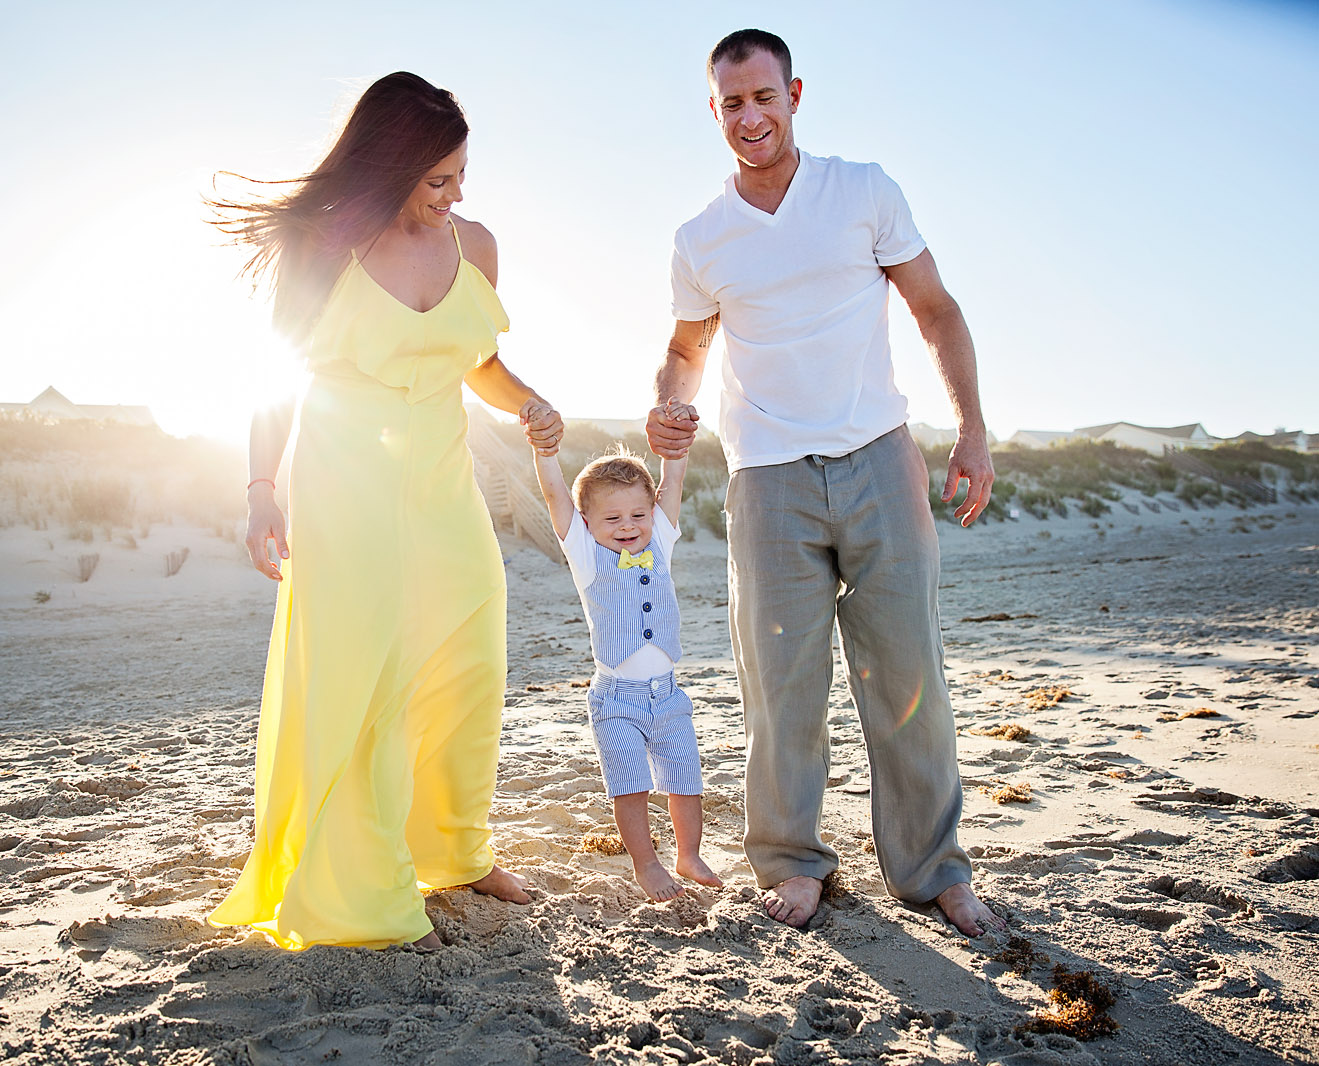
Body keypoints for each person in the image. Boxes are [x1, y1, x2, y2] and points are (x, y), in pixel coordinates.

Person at [646, 30, 1007, 937]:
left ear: (794, 94)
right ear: (715, 111)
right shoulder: (701, 237)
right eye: (731, 103)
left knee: (906, 673)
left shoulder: (863, 191)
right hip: (765, 478)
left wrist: (969, 428)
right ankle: (792, 864)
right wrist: (666, 405)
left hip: (879, 457)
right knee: (780, 685)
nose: (749, 117)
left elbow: (936, 309)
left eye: (763, 97)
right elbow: (686, 351)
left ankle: (932, 872)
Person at [206, 72, 564, 950]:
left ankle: (453, 850)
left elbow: (473, 359)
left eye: (460, 175)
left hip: (441, 479)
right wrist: (261, 494)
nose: (453, 195)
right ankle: (362, 894)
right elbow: (275, 382)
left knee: (466, 653)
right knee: (366, 675)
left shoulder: (474, 244)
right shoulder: (324, 245)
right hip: (343, 480)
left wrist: (525, 402)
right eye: (436, 178)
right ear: (387, 166)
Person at [531, 408, 722, 901]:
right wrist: (544, 454)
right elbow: (555, 495)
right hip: (616, 699)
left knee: (685, 778)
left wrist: (674, 451)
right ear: (587, 522)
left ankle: (689, 853)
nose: (627, 526)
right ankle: (645, 863)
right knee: (630, 785)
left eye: (638, 514)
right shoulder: (585, 555)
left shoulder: (659, 539)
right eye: (612, 518)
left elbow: (671, 483)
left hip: (669, 695)